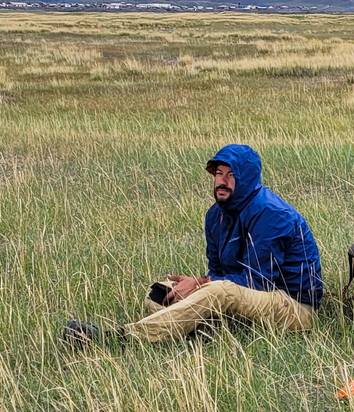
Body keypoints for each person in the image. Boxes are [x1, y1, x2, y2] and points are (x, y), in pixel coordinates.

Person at [64, 144, 322, 346]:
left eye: (231, 175)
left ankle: (121, 338)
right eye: (218, 173)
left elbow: (258, 281)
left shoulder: (271, 214)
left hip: (293, 307)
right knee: (161, 291)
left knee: (219, 292)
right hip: (247, 298)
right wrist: (195, 285)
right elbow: (218, 270)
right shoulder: (216, 215)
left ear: (247, 179)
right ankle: (207, 328)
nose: (221, 181)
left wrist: (200, 283)